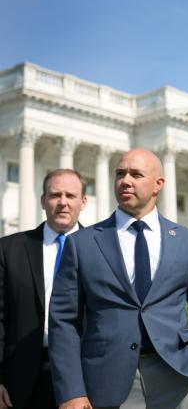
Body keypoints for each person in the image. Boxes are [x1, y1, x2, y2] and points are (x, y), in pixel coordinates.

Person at [49, 148, 188, 409]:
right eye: (120, 173)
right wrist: (71, 391)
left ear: (158, 185)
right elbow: (63, 321)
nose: (125, 180)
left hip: (183, 376)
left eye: (136, 174)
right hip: (110, 382)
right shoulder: (81, 244)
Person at [0, 169, 87, 409]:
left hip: (85, 378)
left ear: (83, 202)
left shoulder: (103, 251)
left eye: (70, 195)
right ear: (42, 201)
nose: (63, 203)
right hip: (21, 378)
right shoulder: (9, 249)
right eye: (55, 195)